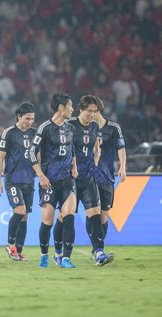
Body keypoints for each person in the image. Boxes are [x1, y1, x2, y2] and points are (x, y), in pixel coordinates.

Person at [54, 95, 113, 266]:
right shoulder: (69, 125)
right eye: (89, 111)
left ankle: (99, 253)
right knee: (63, 217)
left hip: (88, 178)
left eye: (95, 112)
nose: (92, 115)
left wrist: (94, 163)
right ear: (81, 109)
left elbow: (96, 149)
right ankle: (58, 252)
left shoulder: (95, 126)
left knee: (95, 214)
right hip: (69, 179)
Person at [29, 93, 78, 269]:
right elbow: (31, 153)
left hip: (67, 181)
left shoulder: (71, 128)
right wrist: (40, 175)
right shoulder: (45, 128)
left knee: (69, 216)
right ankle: (44, 255)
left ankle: (65, 258)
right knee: (47, 222)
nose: (73, 109)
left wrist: (74, 166)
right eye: (71, 106)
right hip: (48, 182)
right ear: (61, 108)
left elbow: (72, 150)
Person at [0, 103, 36, 262]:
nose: (30, 121)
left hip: (29, 180)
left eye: (32, 118)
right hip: (13, 180)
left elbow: (38, 156)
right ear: (19, 116)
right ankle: (10, 244)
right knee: (19, 211)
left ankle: (17, 251)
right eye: (27, 118)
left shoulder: (35, 133)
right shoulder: (9, 133)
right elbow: (0, 158)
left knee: (25, 216)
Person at [94, 96, 126, 252]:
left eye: (93, 110)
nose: (90, 114)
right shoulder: (85, 128)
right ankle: (98, 249)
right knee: (91, 213)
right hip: (89, 177)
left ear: (98, 110)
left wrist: (123, 167)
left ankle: (98, 246)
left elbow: (121, 148)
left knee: (103, 215)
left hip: (106, 177)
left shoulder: (113, 128)